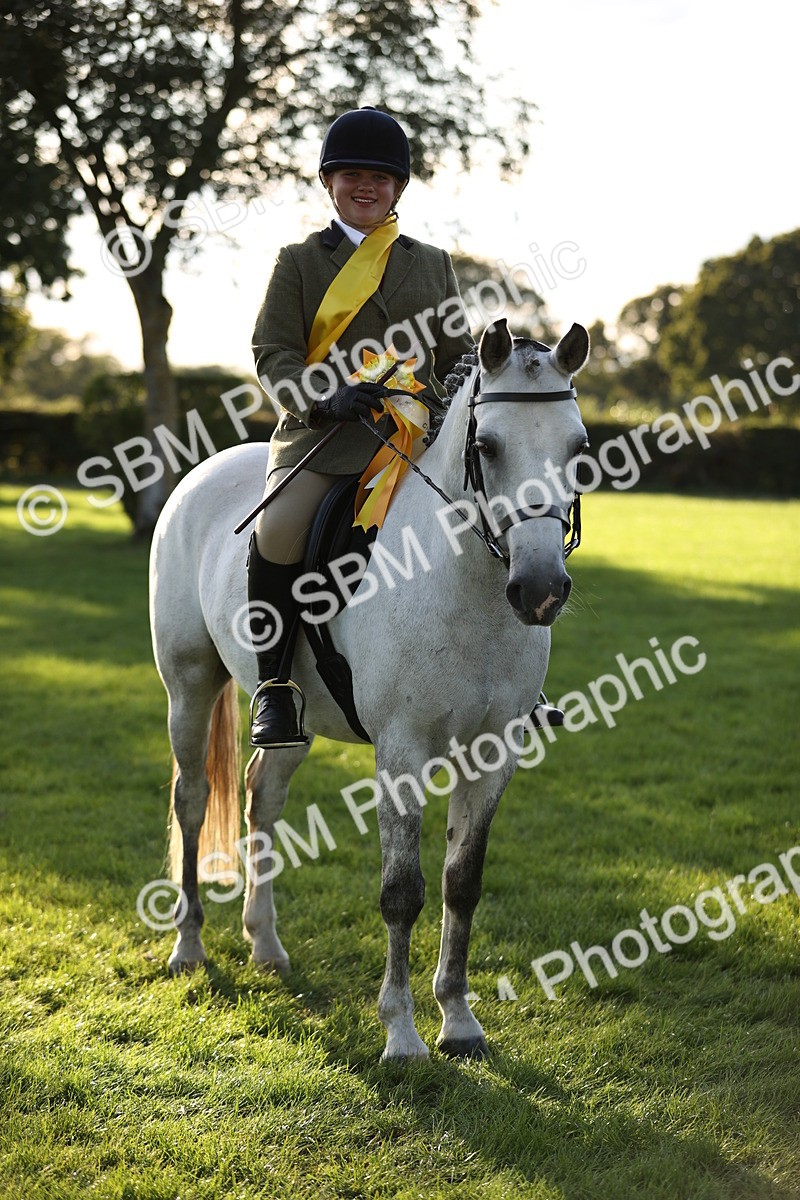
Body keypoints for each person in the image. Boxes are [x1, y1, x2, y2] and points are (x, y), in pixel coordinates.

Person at [248, 106, 475, 748]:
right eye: (351, 175)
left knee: (494, 522)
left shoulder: (431, 263)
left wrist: (460, 400)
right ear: (328, 183)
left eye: (379, 176)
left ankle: (513, 683)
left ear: (399, 187)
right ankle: (275, 688)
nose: (365, 187)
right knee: (279, 530)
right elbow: (275, 354)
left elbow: (456, 359)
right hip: (325, 439)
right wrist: (325, 396)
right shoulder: (298, 262)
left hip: (414, 441)